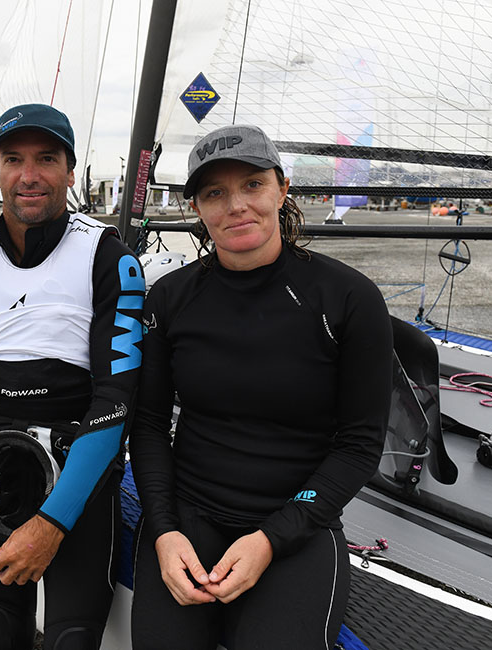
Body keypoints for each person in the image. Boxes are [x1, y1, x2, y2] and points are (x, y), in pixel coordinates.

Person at [129, 124, 392, 649]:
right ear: (198, 210)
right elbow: (151, 424)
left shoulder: (349, 298)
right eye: (215, 193)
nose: (236, 206)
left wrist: (273, 538)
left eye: (253, 185)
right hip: (189, 518)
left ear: (282, 189)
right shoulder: (170, 298)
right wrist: (163, 530)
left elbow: (360, 443)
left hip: (297, 524)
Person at [0, 103, 145, 650]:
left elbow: (117, 399)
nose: (29, 175)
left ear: (70, 170)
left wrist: (53, 523)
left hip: (80, 485)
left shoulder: (110, 260)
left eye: (47, 158)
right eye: (13, 159)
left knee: (72, 637)